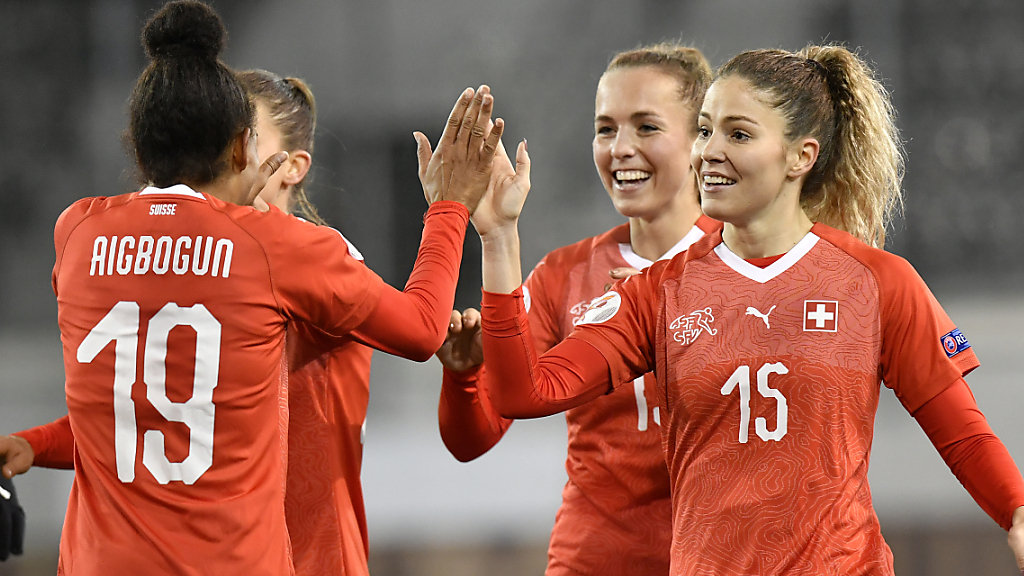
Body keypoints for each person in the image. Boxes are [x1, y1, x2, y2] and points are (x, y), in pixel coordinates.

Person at [471, 44, 1024, 574]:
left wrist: (1017, 512)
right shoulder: (657, 292)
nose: (709, 151)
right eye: (704, 130)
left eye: (738, 134)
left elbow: (963, 434)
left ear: (801, 156)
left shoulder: (878, 282)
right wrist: (498, 237)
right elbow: (525, 392)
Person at [0, 1, 503, 574]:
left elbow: (161, 413)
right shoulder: (283, 252)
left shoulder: (79, 230)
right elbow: (159, 416)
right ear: (239, 149)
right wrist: (450, 207)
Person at [1, 68, 382, 576]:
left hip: (315, 556)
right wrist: (37, 444)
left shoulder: (327, 264)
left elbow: (422, 336)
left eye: (242, 132)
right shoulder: (209, 269)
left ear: (292, 166)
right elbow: (163, 421)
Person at [436, 43, 716, 575]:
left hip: (721, 559)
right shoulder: (562, 276)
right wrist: (464, 378)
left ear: (701, 141)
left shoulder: (746, 269)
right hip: (593, 561)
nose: (621, 149)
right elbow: (472, 440)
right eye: (606, 129)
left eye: (647, 127)